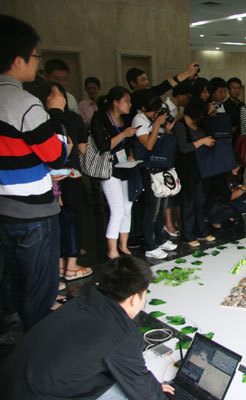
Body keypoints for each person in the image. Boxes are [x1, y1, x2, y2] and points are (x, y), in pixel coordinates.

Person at [0, 256, 174, 399]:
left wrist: (147, 384)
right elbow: (143, 391)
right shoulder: (122, 333)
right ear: (134, 298)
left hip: (11, 384)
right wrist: (156, 392)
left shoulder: (82, 302)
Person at [0, 15, 68, 330]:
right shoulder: (25, 103)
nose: (37, 62)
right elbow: (56, 155)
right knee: (40, 288)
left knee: (14, 280)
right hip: (33, 214)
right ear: (18, 60)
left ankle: (16, 333)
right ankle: (37, 345)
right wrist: (56, 112)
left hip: (4, 211)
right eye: (36, 56)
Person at [51, 83, 93, 282]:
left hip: (48, 177)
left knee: (57, 220)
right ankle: (72, 264)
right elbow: (83, 149)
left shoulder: (41, 119)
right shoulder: (74, 119)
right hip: (70, 173)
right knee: (73, 218)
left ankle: (60, 264)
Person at [90, 86, 138, 259]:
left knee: (127, 207)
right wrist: (124, 134)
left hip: (124, 166)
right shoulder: (100, 118)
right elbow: (103, 146)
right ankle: (112, 250)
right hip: (109, 169)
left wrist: (131, 154)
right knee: (117, 209)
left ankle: (123, 245)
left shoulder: (125, 119)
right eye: (126, 101)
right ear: (115, 102)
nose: (130, 104)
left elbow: (129, 144)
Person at [132, 89, 178, 259]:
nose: (156, 114)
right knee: (152, 210)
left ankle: (160, 239)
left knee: (162, 209)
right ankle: (150, 246)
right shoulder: (139, 119)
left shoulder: (152, 119)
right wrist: (157, 124)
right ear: (144, 108)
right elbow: (149, 145)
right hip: (148, 168)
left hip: (160, 166)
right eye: (153, 111)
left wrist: (167, 129)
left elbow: (161, 143)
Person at [173, 97, 217, 247]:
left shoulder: (197, 125)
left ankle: (202, 231)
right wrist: (202, 142)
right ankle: (188, 235)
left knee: (200, 201)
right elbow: (183, 148)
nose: (202, 116)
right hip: (186, 168)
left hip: (200, 167)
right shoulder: (180, 126)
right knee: (188, 202)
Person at [162, 81, 193, 238]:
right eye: (187, 97)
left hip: (178, 152)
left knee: (178, 187)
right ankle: (168, 222)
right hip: (166, 152)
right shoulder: (165, 108)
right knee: (168, 187)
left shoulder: (181, 109)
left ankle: (180, 220)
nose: (188, 100)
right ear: (180, 95)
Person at [125, 63, 199, 118]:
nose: (147, 82)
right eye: (143, 80)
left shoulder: (148, 95)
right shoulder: (134, 97)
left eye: (147, 79)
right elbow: (164, 86)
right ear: (133, 83)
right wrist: (187, 73)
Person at [207, 157, 246, 229]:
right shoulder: (219, 177)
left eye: (239, 167)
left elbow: (233, 189)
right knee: (238, 206)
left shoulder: (235, 175)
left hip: (224, 201)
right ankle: (216, 220)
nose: (237, 168)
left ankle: (226, 216)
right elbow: (229, 196)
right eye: (235, 166)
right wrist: (244, 187)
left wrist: (239, 188)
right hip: (213, 205)